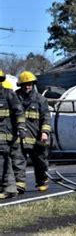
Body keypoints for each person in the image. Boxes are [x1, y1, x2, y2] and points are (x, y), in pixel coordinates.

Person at [14, 71, 51, 192]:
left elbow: (46, 117)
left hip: (37, 138)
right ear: (20, 85)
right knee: (18, 161)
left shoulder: (40, 99)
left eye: (29, 84)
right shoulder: (14, 98)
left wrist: (45, 132)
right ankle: (20, 185)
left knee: (40, 161)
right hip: (19, 138)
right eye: (24, 84)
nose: (27, 86)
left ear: (33, 84)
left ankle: (42, 181)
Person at [0, 71, 26, 199]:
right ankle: (9, 188)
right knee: (5, 161)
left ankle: (8, 188)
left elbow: (19, 112)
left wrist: (21, 127)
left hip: (8, 135)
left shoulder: (8, 94)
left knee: (5, 161)